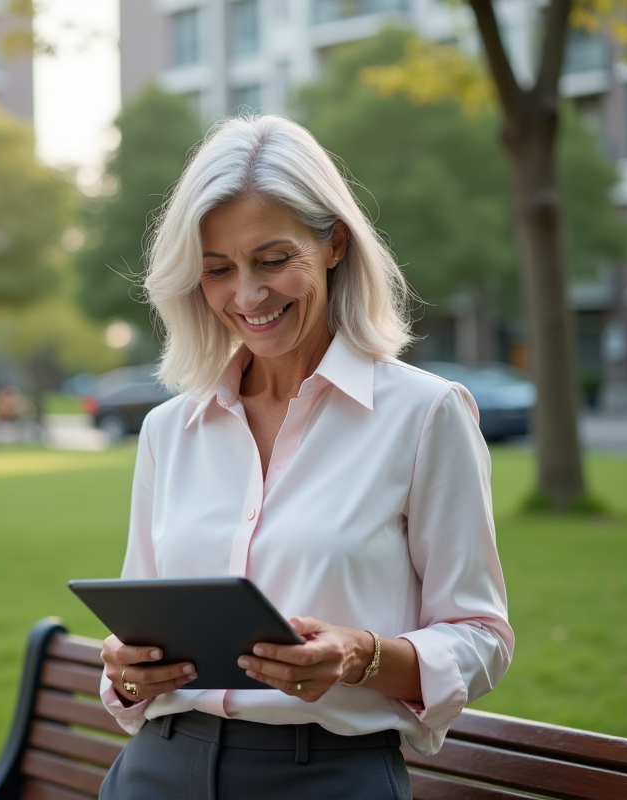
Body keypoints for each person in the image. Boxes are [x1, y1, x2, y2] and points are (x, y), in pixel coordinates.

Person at [96, 116, 513, 800]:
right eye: (218, 271)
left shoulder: (425, 415)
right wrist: (125, 666)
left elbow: (482, 637)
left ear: (334, 244)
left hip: (327, 778)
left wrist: (360, 657)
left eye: (273, 259)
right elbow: (136, 642)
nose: (248, 296)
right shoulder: (170, 429)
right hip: (157, 771)